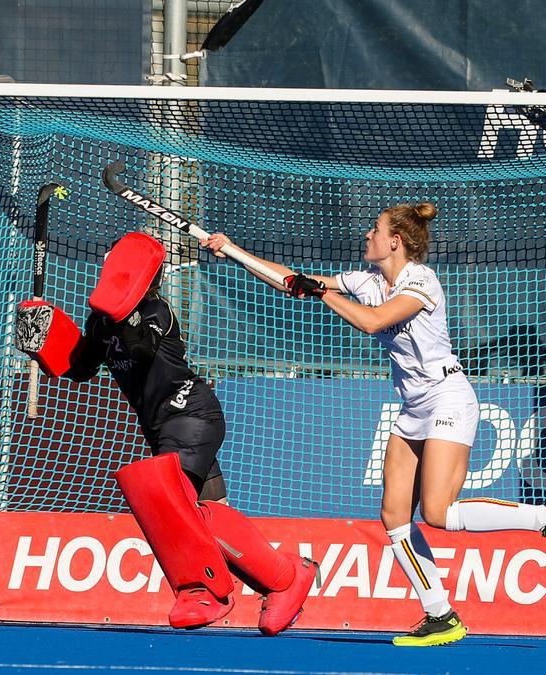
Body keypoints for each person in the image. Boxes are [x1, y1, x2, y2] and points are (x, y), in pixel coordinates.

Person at [202, 202, 546, 647]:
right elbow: (291, 279)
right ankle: (440, 615)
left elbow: (373, 321)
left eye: (376, 229)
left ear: (395, 242)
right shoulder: (365, 281)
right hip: (412, 407)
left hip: (449, 398)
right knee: (393, 516)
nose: (367, 234)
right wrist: (232, 250)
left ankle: (540, 517)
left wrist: (321, 292)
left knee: (438, 513)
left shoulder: (420, 280)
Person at [15, 232, 318, 635]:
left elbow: (140, 349)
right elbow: (81, 367)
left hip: (190, 416)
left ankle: (218, 588)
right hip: (164, 428)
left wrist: (119, 317)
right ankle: (287, 578)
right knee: (211, 518)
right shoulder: (101, 323)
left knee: (173, 509)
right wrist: (44, 339)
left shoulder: (157, 310)